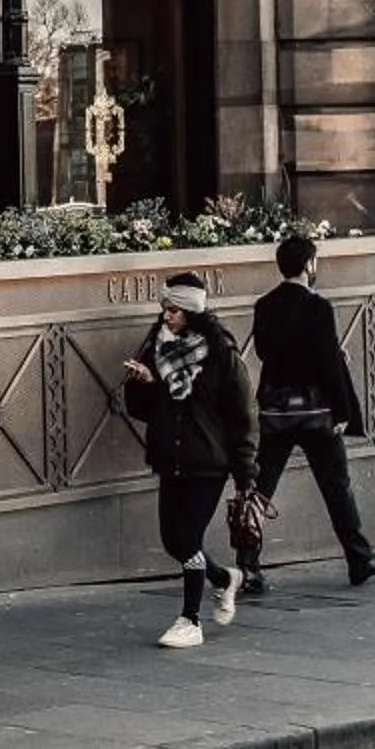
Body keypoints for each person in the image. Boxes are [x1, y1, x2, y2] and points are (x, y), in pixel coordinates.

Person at [242, 234, 375, 594]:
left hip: (276, 412)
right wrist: (342, 410)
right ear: (309, 265)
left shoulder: (264, 305)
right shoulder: (318, 307)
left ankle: (249, 566)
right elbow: (326, 365)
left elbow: (263, 352)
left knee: (259, 490)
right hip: (316, 411)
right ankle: (359, 559)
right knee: (336, 487)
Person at [122, 270, 259, 650]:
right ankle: (224, 579)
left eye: (175, 310)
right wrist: (144, 384)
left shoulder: (221, 354)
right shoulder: (156, 347)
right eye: (165, 309)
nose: (167, 316)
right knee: (173, 541)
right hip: (170, 456)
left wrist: (246, 474)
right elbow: (143, 410)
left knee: (188, 538)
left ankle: (190, 619)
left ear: (193, 312)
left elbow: (243, 417)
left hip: (208, 461)